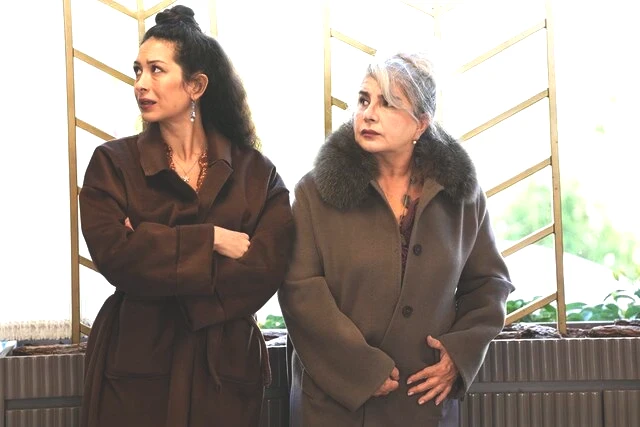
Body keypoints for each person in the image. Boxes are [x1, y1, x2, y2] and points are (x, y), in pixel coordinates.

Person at [78, 6, 294, 427]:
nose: (140, 83)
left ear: (196, 85)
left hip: (224, 366)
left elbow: (266, 267)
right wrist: (212, 239)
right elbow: (116, 257)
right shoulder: (112, 163)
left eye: (156, 70)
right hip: (137, 359)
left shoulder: (257, 172)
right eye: (137, 70)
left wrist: (150, 242)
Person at [278, 52, 515, 427]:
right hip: (335, 406)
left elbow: (489, 283)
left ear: (421, 123)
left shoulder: (461, 198)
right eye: (363, 100)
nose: (368, 114)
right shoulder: (314, 192)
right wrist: (360, 368)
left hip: (423, 403)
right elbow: (299, 290)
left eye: (387, 103)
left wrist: (460, 354)